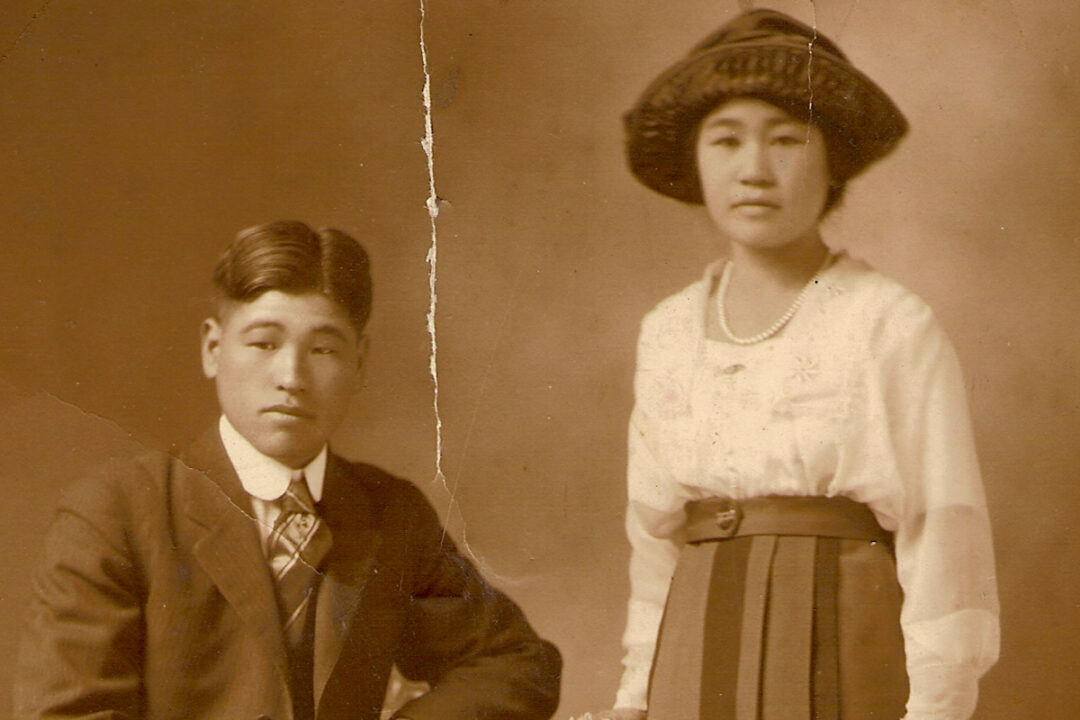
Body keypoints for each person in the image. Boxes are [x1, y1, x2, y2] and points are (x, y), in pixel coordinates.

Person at [583, 9, 999, 720]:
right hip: (696, 653)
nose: (754, 170)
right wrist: (635, 698)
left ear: (833, 159)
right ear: (695, 161)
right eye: (726, 141)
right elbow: (653, 543)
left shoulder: (890, 325)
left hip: (845, 648)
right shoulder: (669, 332)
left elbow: (945, 539)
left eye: (786, 140)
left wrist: (936, 708)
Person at [14, 220, 562, 720]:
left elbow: (515, 662)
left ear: (360, 363)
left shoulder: (390, 512)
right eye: (264, 343)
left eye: (323, 349)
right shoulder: (118, 512)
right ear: (213, 348)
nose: (291, 376)